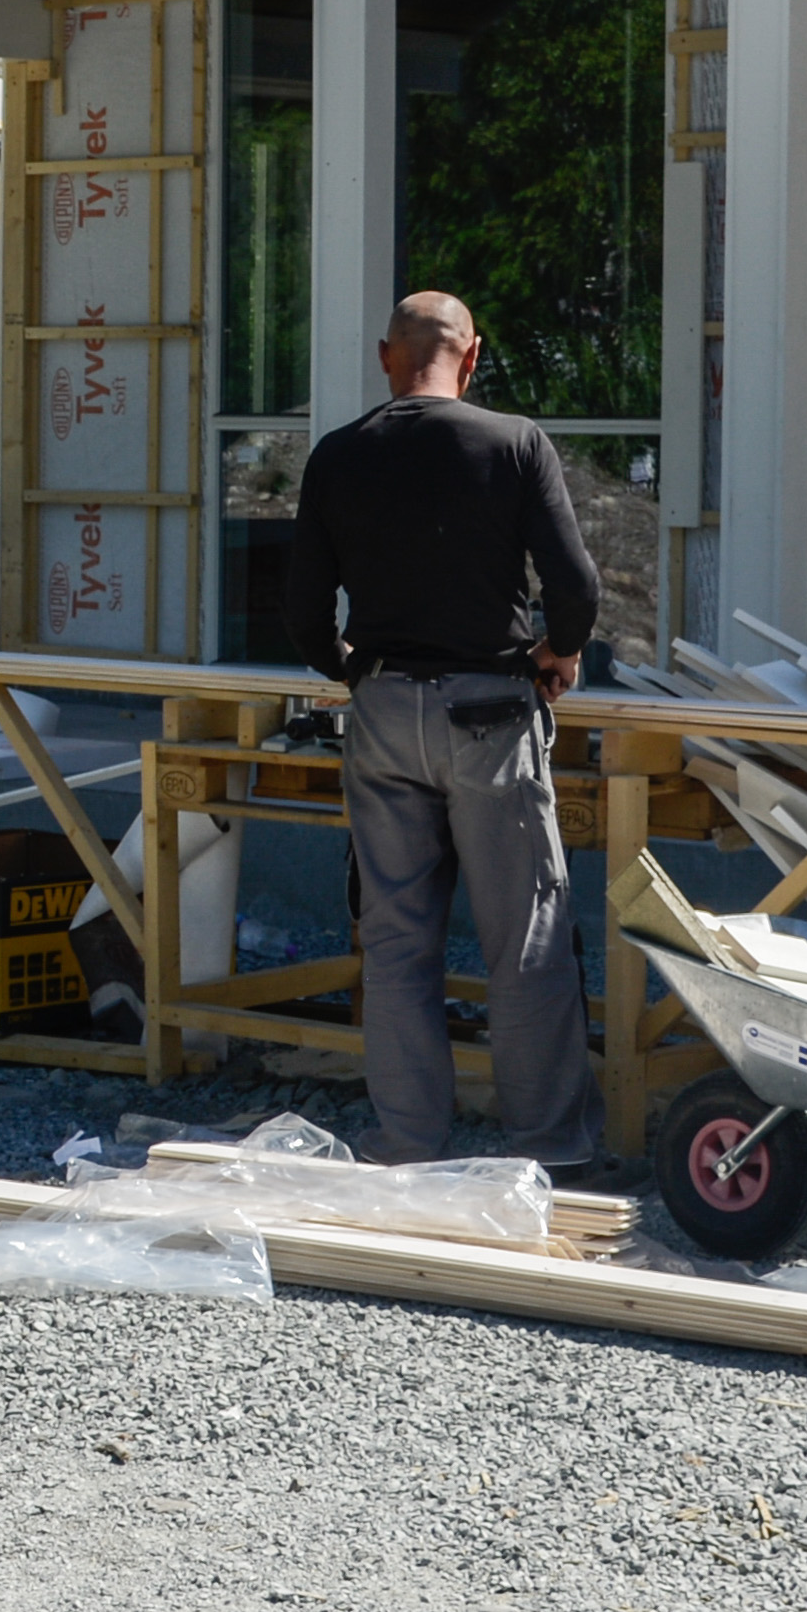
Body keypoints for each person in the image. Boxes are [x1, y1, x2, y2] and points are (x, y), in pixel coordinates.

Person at [288, 288, 610, 1175]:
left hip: (385, 713)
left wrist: (356, 667)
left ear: (386, 357)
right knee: (526, 938)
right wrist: (559, 651)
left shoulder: (338, 456)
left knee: (395, 941)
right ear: (472, 359)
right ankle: (550, 1150)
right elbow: (576, 589)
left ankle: (406, 1146)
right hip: (492, 717)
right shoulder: (512, 444)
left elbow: (304, 617)